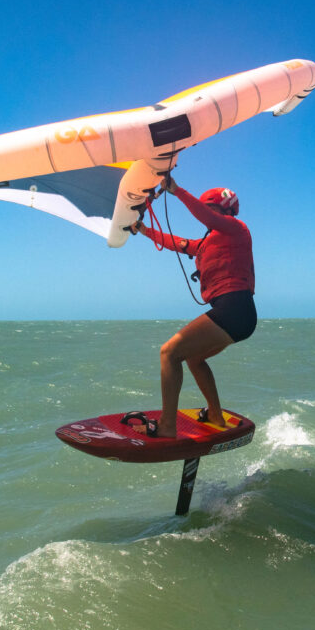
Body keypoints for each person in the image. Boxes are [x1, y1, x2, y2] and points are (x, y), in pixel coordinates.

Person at [128, 174, 256, 437]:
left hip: (234, 308)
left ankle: (166, 426)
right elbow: (177, 243)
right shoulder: (209, 242)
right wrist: (143, 230)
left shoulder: (236, 228)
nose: (206, 215)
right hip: (238, 313)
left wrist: (176, 190)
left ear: (220, 210)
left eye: (208, 209)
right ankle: (216, 415)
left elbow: (208, 218)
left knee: (169, 353)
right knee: (195, 359)